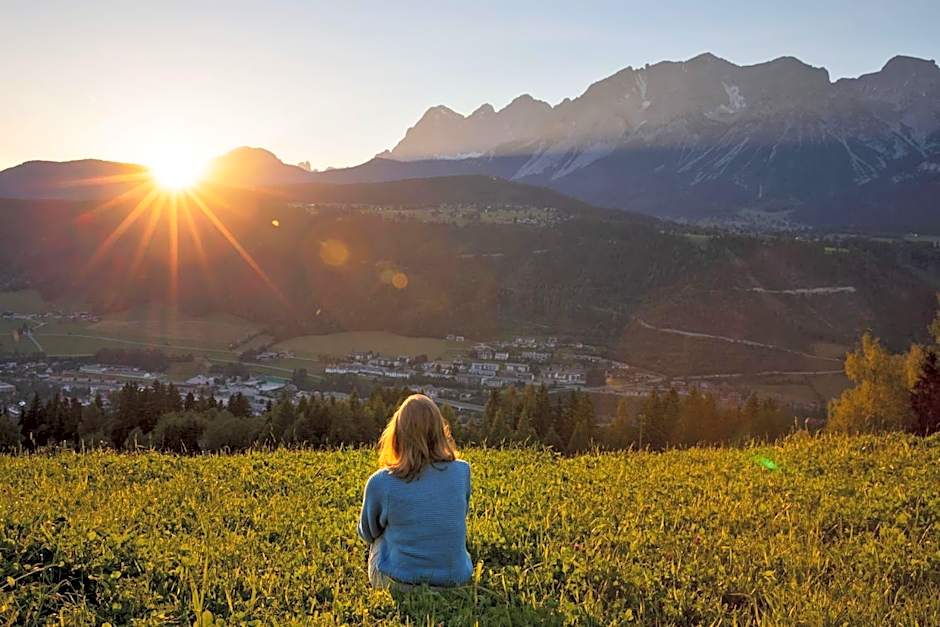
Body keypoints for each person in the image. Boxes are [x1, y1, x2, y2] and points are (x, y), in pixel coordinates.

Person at [357, 393, 473, 589]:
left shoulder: (382, 482)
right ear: (439, 430)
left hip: (399, 582)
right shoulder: (462, 471)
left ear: (397, 433)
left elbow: (367, 533)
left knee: (380, 538)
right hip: (456, 580)